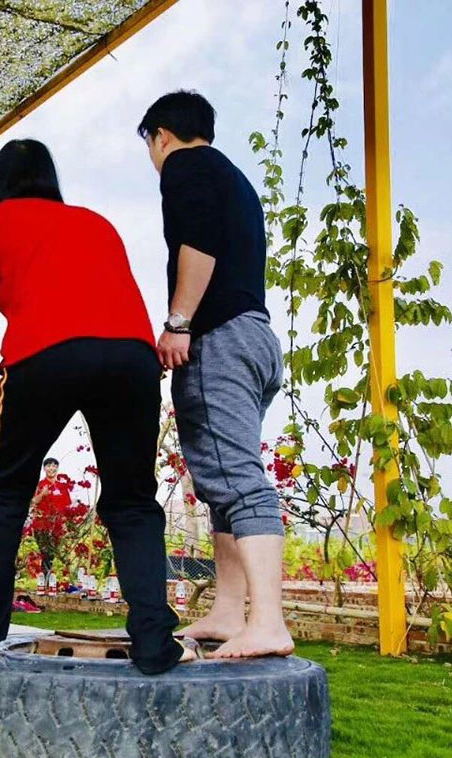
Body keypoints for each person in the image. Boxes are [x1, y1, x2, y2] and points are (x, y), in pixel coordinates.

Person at [0, 138, 189, 674]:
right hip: (131, 359)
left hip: (43, 356)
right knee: (133, 502)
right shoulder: (96, 224)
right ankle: (155, 641)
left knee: (4, 492)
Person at [138, 90, 292, 658]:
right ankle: (229, 612)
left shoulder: (185, 167)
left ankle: (268, 622)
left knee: (239, 482)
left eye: (150, 146)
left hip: (220, 339)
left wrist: (178, 321)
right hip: (255, 337)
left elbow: (197, 242)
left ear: (161, 135)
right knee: (223, 481)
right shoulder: (234, 178)